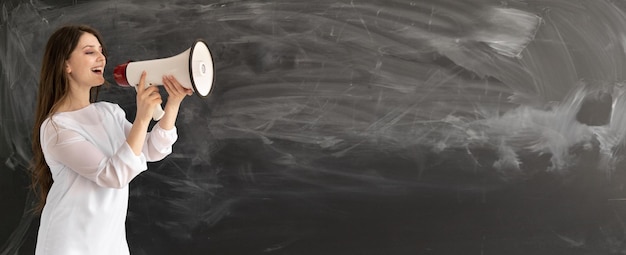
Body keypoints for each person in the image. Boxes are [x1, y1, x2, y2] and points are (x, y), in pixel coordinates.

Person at [30, 24, 192, 255]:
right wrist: (143, 117)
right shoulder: (56, 128)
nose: (101, 58)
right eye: (89, 52)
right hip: (68, 245)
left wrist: (173, 104)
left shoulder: (109, 112)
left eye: (101, 51)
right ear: (65, 64)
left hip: (109, 244)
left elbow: (151, 149)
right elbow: (113, 174)